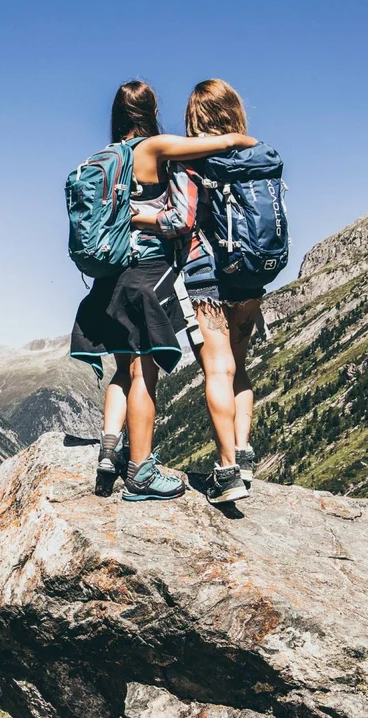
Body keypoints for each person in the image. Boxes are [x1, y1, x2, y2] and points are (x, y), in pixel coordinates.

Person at [71, 80, 254, 501]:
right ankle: (140, 472)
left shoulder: (102, 157)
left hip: (109, 276)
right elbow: (219, 150)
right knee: (143, 373)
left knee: (122, 369)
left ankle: (108, 452)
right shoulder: (151, 149)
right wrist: (247, 139)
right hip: (145, 275)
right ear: (150, 110)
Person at [176, 79, 268, 505]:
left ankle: (226, 469)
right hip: (249, 275)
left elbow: (181, 219)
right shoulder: (257, 155)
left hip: (205, 274)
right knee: (241, 366)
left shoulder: (192, 160)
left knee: (217, 367)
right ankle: (244, 454)